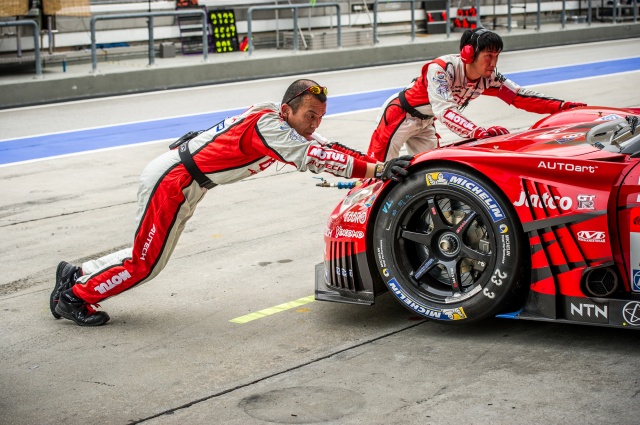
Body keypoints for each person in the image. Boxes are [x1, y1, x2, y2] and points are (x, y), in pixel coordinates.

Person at [50, 79, 413, 326]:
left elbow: (327, 147)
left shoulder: (276, 120)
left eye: (320, 117)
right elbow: (313, 157)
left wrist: (379, 166)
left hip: (184, 180)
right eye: (310, 116)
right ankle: (75, 297)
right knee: (147, 263)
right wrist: (377, 168)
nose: (315, 124)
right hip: (175, 181)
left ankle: (77, 274)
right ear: (287, 109)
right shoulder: (271, 126)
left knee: (145, 253)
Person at [367, 27, 587, 161]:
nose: (494, 63)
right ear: (469, 54)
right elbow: (445, 111)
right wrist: (477, 132)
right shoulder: (441, 69)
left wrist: (562, 106)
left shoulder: (488, 77)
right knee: (377, 171)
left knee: (427, 170)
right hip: (399, 116)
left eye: (497, 56)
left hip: (425, 123)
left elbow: (519, 97)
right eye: (489, 56)